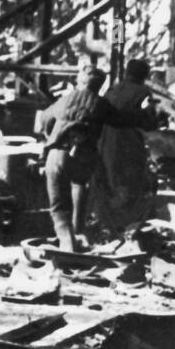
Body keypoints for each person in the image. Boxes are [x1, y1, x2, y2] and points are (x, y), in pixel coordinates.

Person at [37, 67, 116, 252]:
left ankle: (67, 242)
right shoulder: (102, 103)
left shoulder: (66, 99)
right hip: (85, 157)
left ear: (80, 82)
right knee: (79, 185)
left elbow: (44, 118)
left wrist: (51, 133)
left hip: (60, 154)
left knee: (58, 205)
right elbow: (122, 119)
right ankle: (79, 234)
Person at [95, 59, 161, 230]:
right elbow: (149, 124)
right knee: (130, 185)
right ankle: (126, 228)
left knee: (110, 183)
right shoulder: (143, 92)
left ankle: (107, 226)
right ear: (145, 75)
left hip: (105, 142)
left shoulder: (113, 89)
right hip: (128, 143)